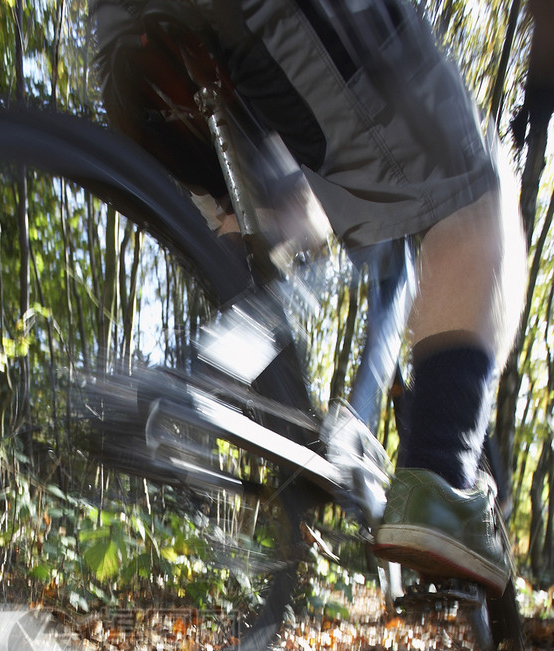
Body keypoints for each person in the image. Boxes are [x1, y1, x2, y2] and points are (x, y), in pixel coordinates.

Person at [91, 0, 529, 594]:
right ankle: (443, 473)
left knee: (283, 208)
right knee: (476, 196)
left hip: (126, 48)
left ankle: (213, 378)